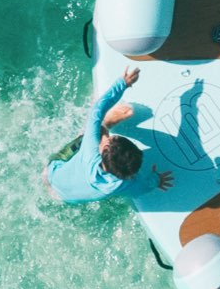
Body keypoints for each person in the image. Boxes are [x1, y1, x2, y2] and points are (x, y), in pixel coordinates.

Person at [44, 67, 174, 203]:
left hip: (50, 174)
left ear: (103, 149)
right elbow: (144, 187)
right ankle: (105, 126)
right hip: (64, 199)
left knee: (90, 133)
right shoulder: (126, 184)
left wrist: (123, 84)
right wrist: (157, 179)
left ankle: (105, 124)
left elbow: (97, 110)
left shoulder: (89, 153)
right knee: (94, 135)